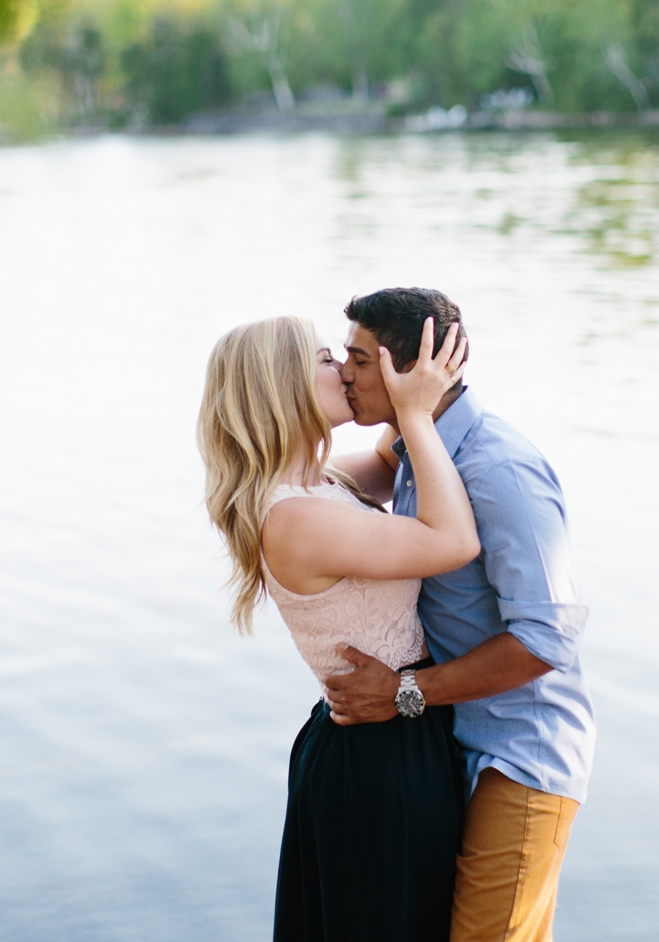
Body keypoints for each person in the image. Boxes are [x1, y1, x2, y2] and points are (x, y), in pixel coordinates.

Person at [324, 288, 595, 942]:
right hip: (449, 742)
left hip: (519, 757)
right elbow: (347, 480)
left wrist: (403, 693)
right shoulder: (419, 444)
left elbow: (544, 639)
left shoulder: (499, 470)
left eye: (359, 360)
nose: (344, 374)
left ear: (406, 369)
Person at [197, 314, 476, 942]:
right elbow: (453, 539)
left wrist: (407, 387)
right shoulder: (296, 518)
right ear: (283, 386)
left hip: (380, 739)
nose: (347, 371)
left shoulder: (318, 485)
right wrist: (420, 416)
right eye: (328, 360)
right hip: (377, 758)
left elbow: (391, 455)